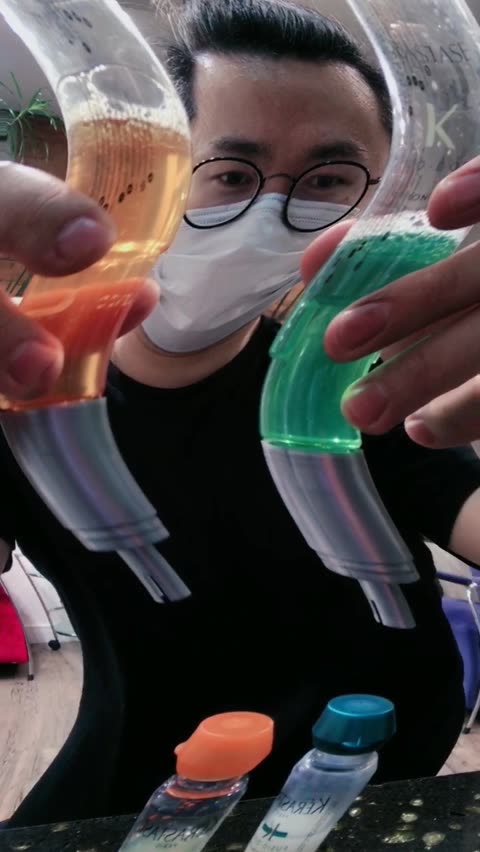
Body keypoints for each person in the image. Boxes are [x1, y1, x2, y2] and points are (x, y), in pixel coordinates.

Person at [2, 0, 480, 826]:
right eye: (230, 173)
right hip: (141, 768)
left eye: (327, 181)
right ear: (155, 178)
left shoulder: (353, 381)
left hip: (373, 763)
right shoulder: (28, 399)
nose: (270, 213)